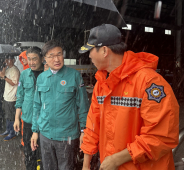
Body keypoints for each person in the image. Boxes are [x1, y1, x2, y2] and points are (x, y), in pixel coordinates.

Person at [79, 24, 179, 170]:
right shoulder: (101, 85)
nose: (89, 56)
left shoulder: (149, 82)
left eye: (91, 51)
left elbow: (162, 136)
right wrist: (86, 164)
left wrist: (116, 159)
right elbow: (93, 126)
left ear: (105, 50)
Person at [31, 40, 89, 170]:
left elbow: (83, 106)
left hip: (67, 136)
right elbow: (37, 106)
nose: (56, 59)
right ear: (44, 59)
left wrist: (84, 131)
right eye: (51, 56)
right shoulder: (41, 78)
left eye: (59, 54)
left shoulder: (74, 76)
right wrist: (35, 131)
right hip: (45, 134)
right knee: (48, 167)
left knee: (67, 167)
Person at [14, 48, 44, 170]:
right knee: (28, 152)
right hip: (27, 120)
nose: (31, 62)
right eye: (29, 59)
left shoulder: (47, 74)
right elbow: (20, 97)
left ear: (42, 59)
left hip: (43, 121)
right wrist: (17, 118)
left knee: (43, 153)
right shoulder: (25, 74)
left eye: (34, 59)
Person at [0, 56, 20, 141]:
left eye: (8, 59)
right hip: (6, 95)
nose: (6, 61)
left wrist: (4, 77)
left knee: (11, 115)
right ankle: (8, 130)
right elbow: (2, 77)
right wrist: (4, 68)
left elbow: (13, 83)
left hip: (12, 97)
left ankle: (13, 132)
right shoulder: (8, 69)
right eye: (6, 59)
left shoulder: (15, 70)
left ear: (13, 60)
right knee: (7, 114)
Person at [19, 51, 29, 147]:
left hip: (29, 105)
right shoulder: (23, 72)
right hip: (24, 104)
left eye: (24, 58)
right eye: (21, 58)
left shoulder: (33, 72)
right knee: (23, 123)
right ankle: (24, 141)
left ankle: (26, 142)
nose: (23, 60)